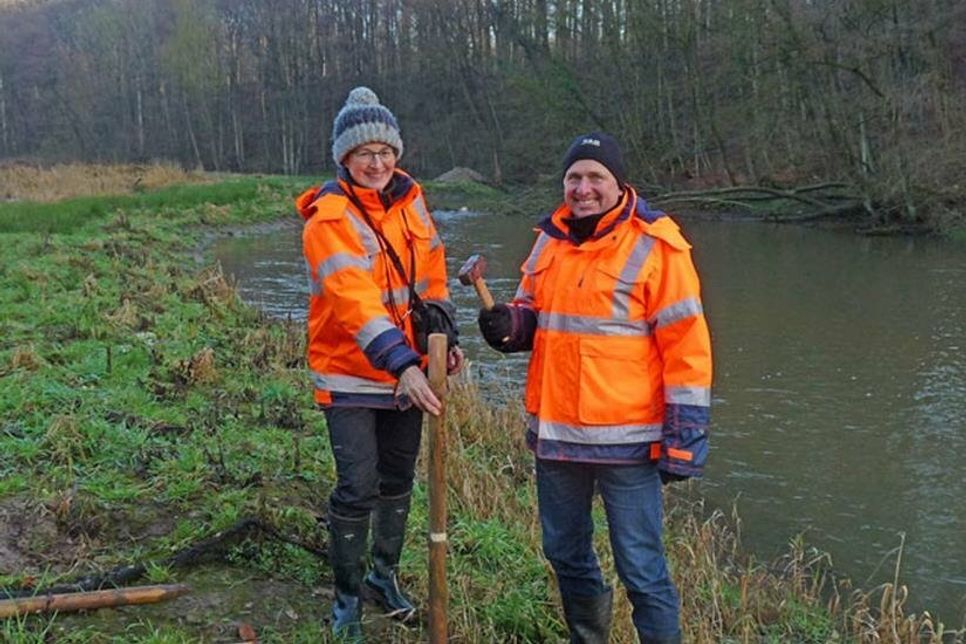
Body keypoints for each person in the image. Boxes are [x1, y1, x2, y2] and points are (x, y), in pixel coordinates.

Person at [478, 132, 712, 643]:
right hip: (558, 440)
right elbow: (534, 317)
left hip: (628, 447)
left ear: (618, 182)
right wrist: (508, 326)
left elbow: (688, 351)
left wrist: (684, 439)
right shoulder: (548, 241)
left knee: (642, 571)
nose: (583, 189)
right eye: (574, 178)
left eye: (595, 177)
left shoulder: (658, 245)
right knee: (564, 553)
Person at [296, 86, 463, 640]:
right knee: (357, 485)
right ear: (345, 158)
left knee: (398, 479)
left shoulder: (412, 201)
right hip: (350, 374)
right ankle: (346, 599)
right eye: (365, 153)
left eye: (385, 151)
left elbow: (431, 278)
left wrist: (442, 335)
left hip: (405, 373)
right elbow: (352, 301)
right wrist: (403, 365)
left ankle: (382, 576)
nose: (377, 163)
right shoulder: (329, 217)